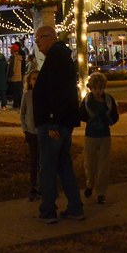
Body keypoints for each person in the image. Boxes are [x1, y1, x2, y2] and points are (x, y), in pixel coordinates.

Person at [32, 25, 84, 223]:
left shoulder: (56, 58)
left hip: (53, 123)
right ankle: (75, 207)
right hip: (63, 121)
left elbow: (56, 92)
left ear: (50, 37)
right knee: (64, 165)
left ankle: (48, 209)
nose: (37, 42)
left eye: (40, 38)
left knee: (48, 166)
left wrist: (53, 120)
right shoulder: (60, 57)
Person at [79, 72, 119, 204]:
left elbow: (115, 116)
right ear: (91, 88)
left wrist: (109, 120)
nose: (98, 91)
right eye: (96, 88)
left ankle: (101, 192)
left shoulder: (108, 100)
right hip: (91, 134)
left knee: (103, 165)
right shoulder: (87, 101)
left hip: (104, 135)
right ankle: (90, 184)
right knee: (89, 163)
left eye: (101, 88)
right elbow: (82, 115)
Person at [19, 70, 40, 201]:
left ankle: (44, 186)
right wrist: (25, 129)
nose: (35, 81)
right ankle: (33, 186)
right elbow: (22, 113)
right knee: (34, 161)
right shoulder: (27, 96)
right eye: (33, 79)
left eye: (37, 79)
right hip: (31, 132)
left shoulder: (45, 95)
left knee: (43, 161)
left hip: (42, 132)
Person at [7, 44, 25, 109]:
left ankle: (16, 104)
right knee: (19, 91)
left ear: (13, 50)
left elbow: (12, 68)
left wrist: (9, 76)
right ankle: (20, 104)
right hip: (19, 77)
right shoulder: (20, 57)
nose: (10, 50)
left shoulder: (13, 57)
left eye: (10, 49)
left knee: (15, 92)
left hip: (14, 77)